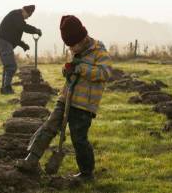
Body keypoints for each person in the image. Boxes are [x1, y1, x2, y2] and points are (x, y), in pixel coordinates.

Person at [16, 15, 113, 181]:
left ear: (82, 39)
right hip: (66, 97)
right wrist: (66, 69)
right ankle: (31, 159)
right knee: (49, 126)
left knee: (78, 138)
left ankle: (86, 173)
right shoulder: (75, 50)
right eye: (69, 46)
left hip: (84, 104)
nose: (72, 49)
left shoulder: (100, 51)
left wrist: (81, 68)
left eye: (73, 45)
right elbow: (70, 70)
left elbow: (105, 73)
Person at [0, 5, 42, 94]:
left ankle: (4, 88)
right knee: (12, 67)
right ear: (24, 11)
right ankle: (6, 88)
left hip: (2, 42)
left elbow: (14, 37)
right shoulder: (16, 15)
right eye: (27, 16)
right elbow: (23, 27)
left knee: (7, 67)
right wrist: (35, 30)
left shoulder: (17, 17)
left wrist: (23, 45)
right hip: (4, 43)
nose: (27, 18)